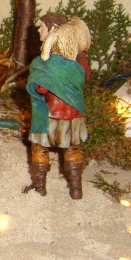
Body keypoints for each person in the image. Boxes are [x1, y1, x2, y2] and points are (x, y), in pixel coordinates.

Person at [24, 17, 91, 199]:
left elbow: (41, 88)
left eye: (42, 27)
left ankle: (40, 187)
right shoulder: (80, 58)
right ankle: (76, 189)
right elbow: (85, 77)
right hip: (74, 113)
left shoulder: (46, 62)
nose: (39, 30)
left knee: (39, 148)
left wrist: (37, 82)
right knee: (72, 148)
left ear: (53, 31)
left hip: (48, 114)